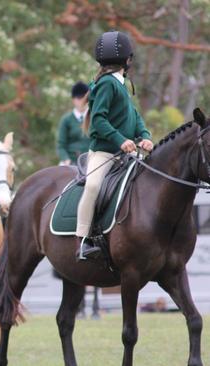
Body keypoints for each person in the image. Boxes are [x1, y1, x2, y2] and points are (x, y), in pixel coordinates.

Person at [76, 31, 153, 260]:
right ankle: (82, 240)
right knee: (92, 187)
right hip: (104, 153)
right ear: (128, 60)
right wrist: (121, 140)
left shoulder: (123, 84)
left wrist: (144, 136)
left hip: (127, 155)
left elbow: (134, 116)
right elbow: (98, 120)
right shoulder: (107, 84)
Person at [56, 81, 90, 166]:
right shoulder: (66, 120)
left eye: (84, 98)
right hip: (71, 161)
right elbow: (61, 145)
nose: (82, 101)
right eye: (79, 98)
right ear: (73, 100)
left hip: (91, 160)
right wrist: (66, 160)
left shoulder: (94, 117)